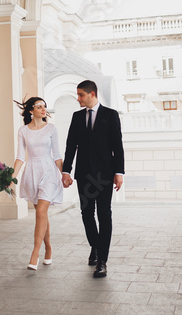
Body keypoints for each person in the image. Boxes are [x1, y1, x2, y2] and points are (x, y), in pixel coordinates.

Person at [61, 80, 124, 278]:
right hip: (84, 175)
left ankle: (102, 261)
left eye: (81, 95)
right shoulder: (77, 117)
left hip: (105, 175)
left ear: (92, 94)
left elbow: (117, 146)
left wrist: (119, 173)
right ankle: (95, 247)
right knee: (86, 213)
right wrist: (66, 171)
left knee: (104, 215)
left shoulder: (110, 115)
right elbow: (71, 145)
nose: (78, 98)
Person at [11, 96, 64, 270]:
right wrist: (12, 178)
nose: (43, 109)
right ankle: (49, 248)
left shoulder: (51, 129)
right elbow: (20, 157)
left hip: (49, 171)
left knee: (41, 211)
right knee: (42, 214)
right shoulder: (23, 131)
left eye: (45, 106)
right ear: (31, 111)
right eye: (39, 106)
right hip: (32, 172)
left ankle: (35, 252)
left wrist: (64, 174)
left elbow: (56, 155)